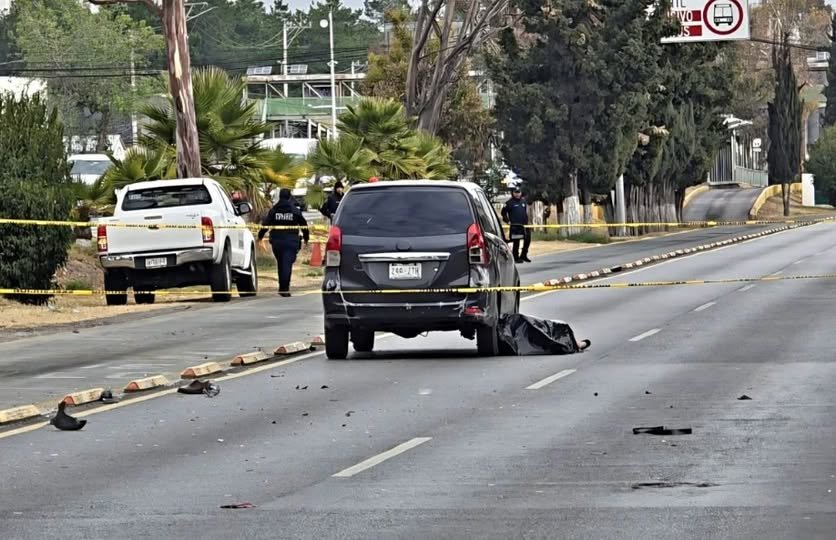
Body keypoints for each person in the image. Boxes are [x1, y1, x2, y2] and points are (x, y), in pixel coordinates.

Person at [258, 188, 309, 297]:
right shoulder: (295, 210)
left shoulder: (274, 210)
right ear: (289, 197)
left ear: (280, 197)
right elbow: (304, 225)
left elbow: (266, 224)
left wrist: (260, 236)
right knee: (287, 264)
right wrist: (306, 238)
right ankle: (284, 287)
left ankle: (282, 286)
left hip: (277, 241)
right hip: (291, 241)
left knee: (281, 263)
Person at [501, 186, 531, 263]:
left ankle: (524, 255)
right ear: (513, 193)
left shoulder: (523, 201)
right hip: (515, 226)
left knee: (527, 240)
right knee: (516, 242)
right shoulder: (509, 203)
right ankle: (515, 257)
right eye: (516, 192)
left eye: (519, 192)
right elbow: (503, 213)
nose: (518, 194)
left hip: (524, 225)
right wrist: (507, 221)